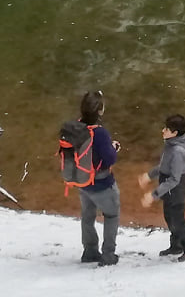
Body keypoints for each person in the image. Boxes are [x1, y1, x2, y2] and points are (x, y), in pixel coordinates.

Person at [137, 114, 185, 261]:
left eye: (166, 129)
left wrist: (153, 194)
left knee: (178, 221)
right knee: (169, 218)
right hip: (168, 190)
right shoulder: (170, 144)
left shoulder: (178, 152)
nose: (163, 131)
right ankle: (176, 245)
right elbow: (164, 167)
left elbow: (174, 179)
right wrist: (149, 175)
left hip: (175, 192)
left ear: (175, 133)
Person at [72, 91, 121, 265]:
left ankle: (90, 251)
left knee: (87, 216)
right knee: (111, 216)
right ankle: (108, 255)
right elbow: (109, 159)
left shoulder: (75, 127)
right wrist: (113, 147)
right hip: (102, 183)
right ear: (100, 110)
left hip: (82, 182)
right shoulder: (100, 133)